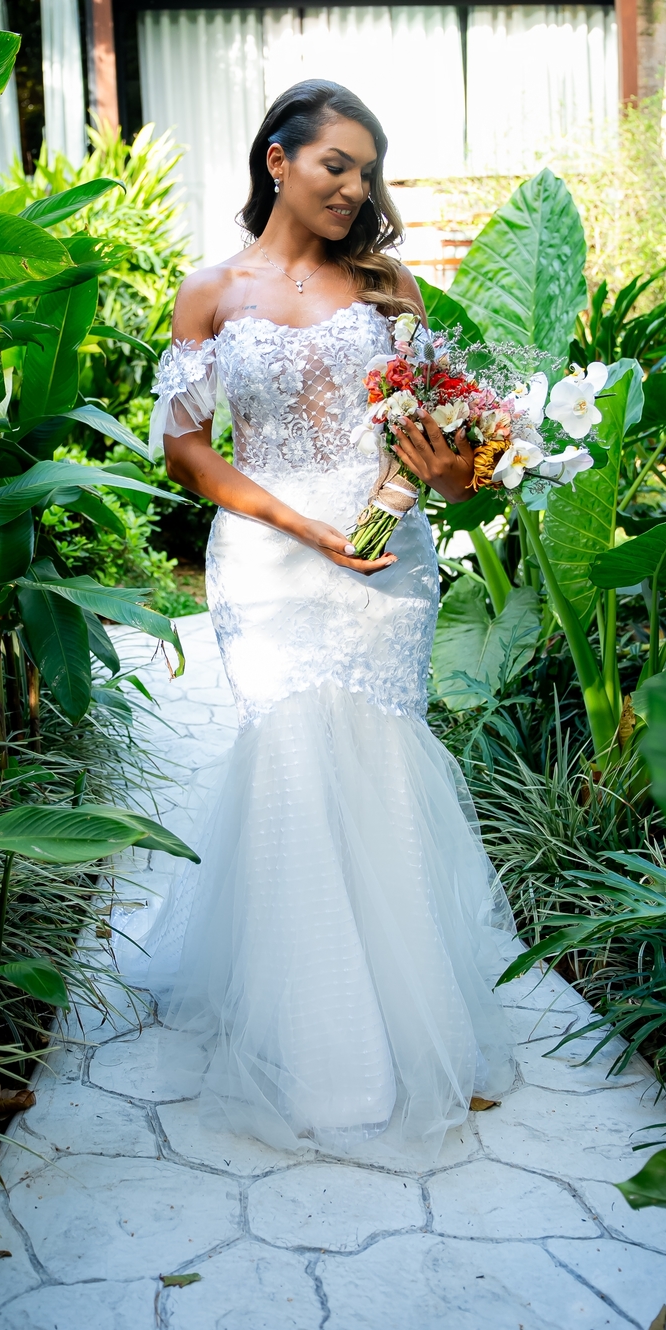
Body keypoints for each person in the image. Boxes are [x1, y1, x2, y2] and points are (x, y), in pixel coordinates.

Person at [140, 77, 516, 1159]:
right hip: (268, 559)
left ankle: (415, 1030)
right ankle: (320, 1051)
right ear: (279, 160)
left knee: (382, 762)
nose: (354, 188)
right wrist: (298, 525)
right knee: (293, 762)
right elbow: (187, 450)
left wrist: (453, 475)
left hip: (385, 562)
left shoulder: (391, 285)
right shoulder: (210, 292)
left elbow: (450, 454)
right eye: (334, 165)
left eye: (366, 171)